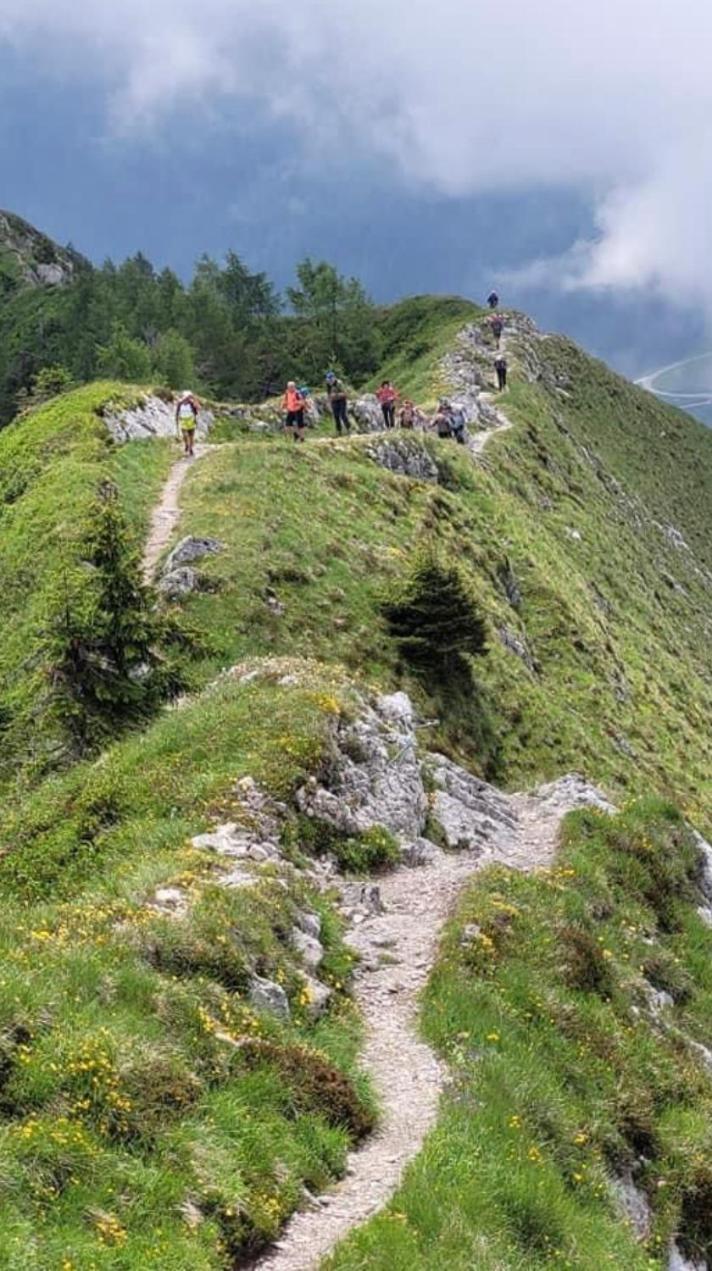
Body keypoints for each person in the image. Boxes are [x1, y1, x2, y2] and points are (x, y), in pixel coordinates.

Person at [175, 390, 200, 457]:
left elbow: (198, 408)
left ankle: (190, 448)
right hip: (183, 421)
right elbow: (177, 412)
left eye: (188, 397)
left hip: (191, 421)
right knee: (185, 435)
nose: (187, 399)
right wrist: (176, 419)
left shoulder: (192, 403)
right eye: (186, 397)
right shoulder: (180, 404)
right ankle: (187, 445)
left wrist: (195, 399)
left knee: (191, 436)